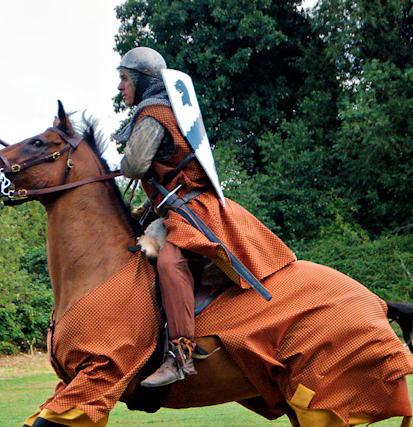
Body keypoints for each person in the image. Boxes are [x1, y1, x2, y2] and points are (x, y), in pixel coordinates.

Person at [114, 47, 296, 387]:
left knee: (171, 261)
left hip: (192, 209)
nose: (120, 87)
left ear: (141, 81)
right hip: (172, 207)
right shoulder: (162, 110)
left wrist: (118, 165)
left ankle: (180, 355)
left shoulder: (153, 112)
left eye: (124, 79)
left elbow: (135, 165)